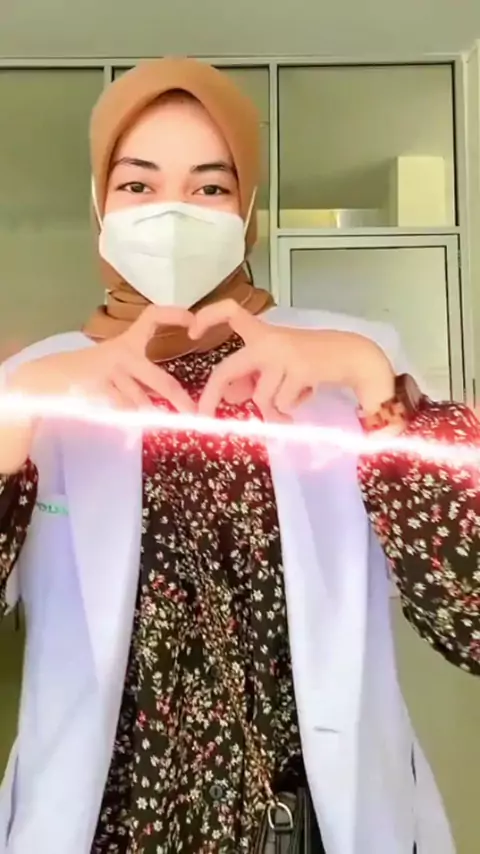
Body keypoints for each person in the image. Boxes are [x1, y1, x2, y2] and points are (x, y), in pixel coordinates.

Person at [0, 57, 478, 854]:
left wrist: (370, 378)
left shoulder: (347, 363)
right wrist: (15, 416)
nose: (173, 214)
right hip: (107, 826)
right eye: (139, 185)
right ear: (99, 205)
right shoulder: (38, 382)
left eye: (210, 187)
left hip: (307, 823)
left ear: (248, 207)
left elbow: (470, 613)